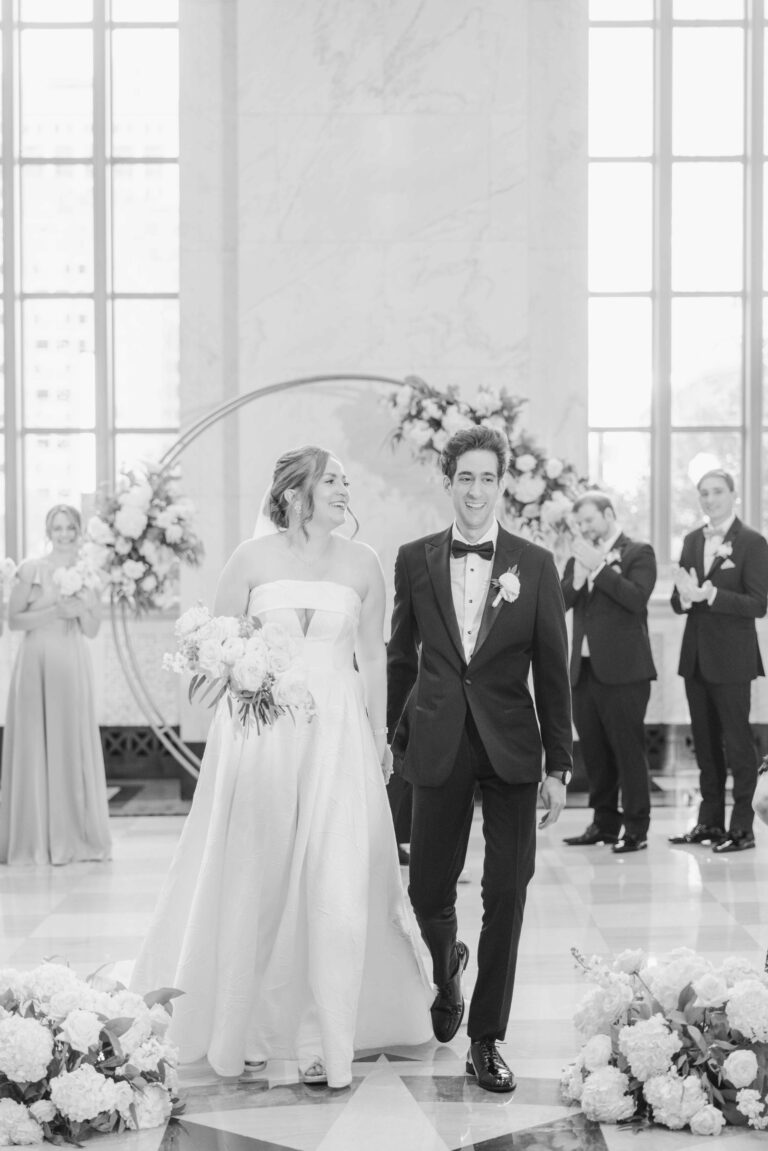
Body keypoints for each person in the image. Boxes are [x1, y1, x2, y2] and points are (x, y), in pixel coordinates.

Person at [131, 446, 432, 1089]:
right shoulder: (250, 560)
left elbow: (375, 660)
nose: (346, 490)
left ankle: (332, 1037)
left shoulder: (365, 563)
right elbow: (214, 648)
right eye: (334, 480)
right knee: (256, 880)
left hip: (339, 734)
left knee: (339, 885)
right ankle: (245, 1030)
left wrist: (381, 739)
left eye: (348, 480)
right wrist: (213, 678)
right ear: (297, 491)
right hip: (261, 736)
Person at [386, 425, 572, 1094]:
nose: (475, 488)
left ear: (502, 484)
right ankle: (447, 968)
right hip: (437, 742)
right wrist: (393, 734)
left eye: (487, 477)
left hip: (512, 747)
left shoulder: (536, 563)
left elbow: (554, 669)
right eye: (464, 476)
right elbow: (401, 656)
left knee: (507, 894)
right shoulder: (414, 559)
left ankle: (486, 1037)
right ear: (449, 482)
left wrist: (560, 764)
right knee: (427, 891)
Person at [0, 505, 111, 866]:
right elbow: (14, 620)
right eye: (57, 527)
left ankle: (74, 836)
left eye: (69, 527)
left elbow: (93, 630)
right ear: (48, 531)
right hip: (35, 663)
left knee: (70, 743)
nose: (64, 533)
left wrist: (79, 609)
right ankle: (35, 838)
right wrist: (54, 611)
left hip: (72, 664)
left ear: (79, 530)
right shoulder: (30, 569)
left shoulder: (90, 573)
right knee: (35, 744)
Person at [670, 468, 768, 853]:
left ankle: (741, 828)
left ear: (732, 495)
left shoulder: (753, 542)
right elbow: (681, 601)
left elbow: (759, 605)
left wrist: (712, 596)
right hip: (695, 657)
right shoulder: (693, 539)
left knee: (737, 744)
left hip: (732, 660)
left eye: (716, 492)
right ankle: (709, 823)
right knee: (706, 745)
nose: (709, 499)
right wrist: (686, 596)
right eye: (704, 494)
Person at [561, 491, 657, 854]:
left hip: (625, 673)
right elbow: (559, 601)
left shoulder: (638, 552)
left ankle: (636, 828)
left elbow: (636, 598)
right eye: (580, 523)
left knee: (627, 751)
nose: (584, 528)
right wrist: (579, 576)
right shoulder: (580, 556)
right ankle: (603, 823)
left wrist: (600, 570)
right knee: (595, 752)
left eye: (589, 520)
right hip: (583, 671)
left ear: (608, 514)